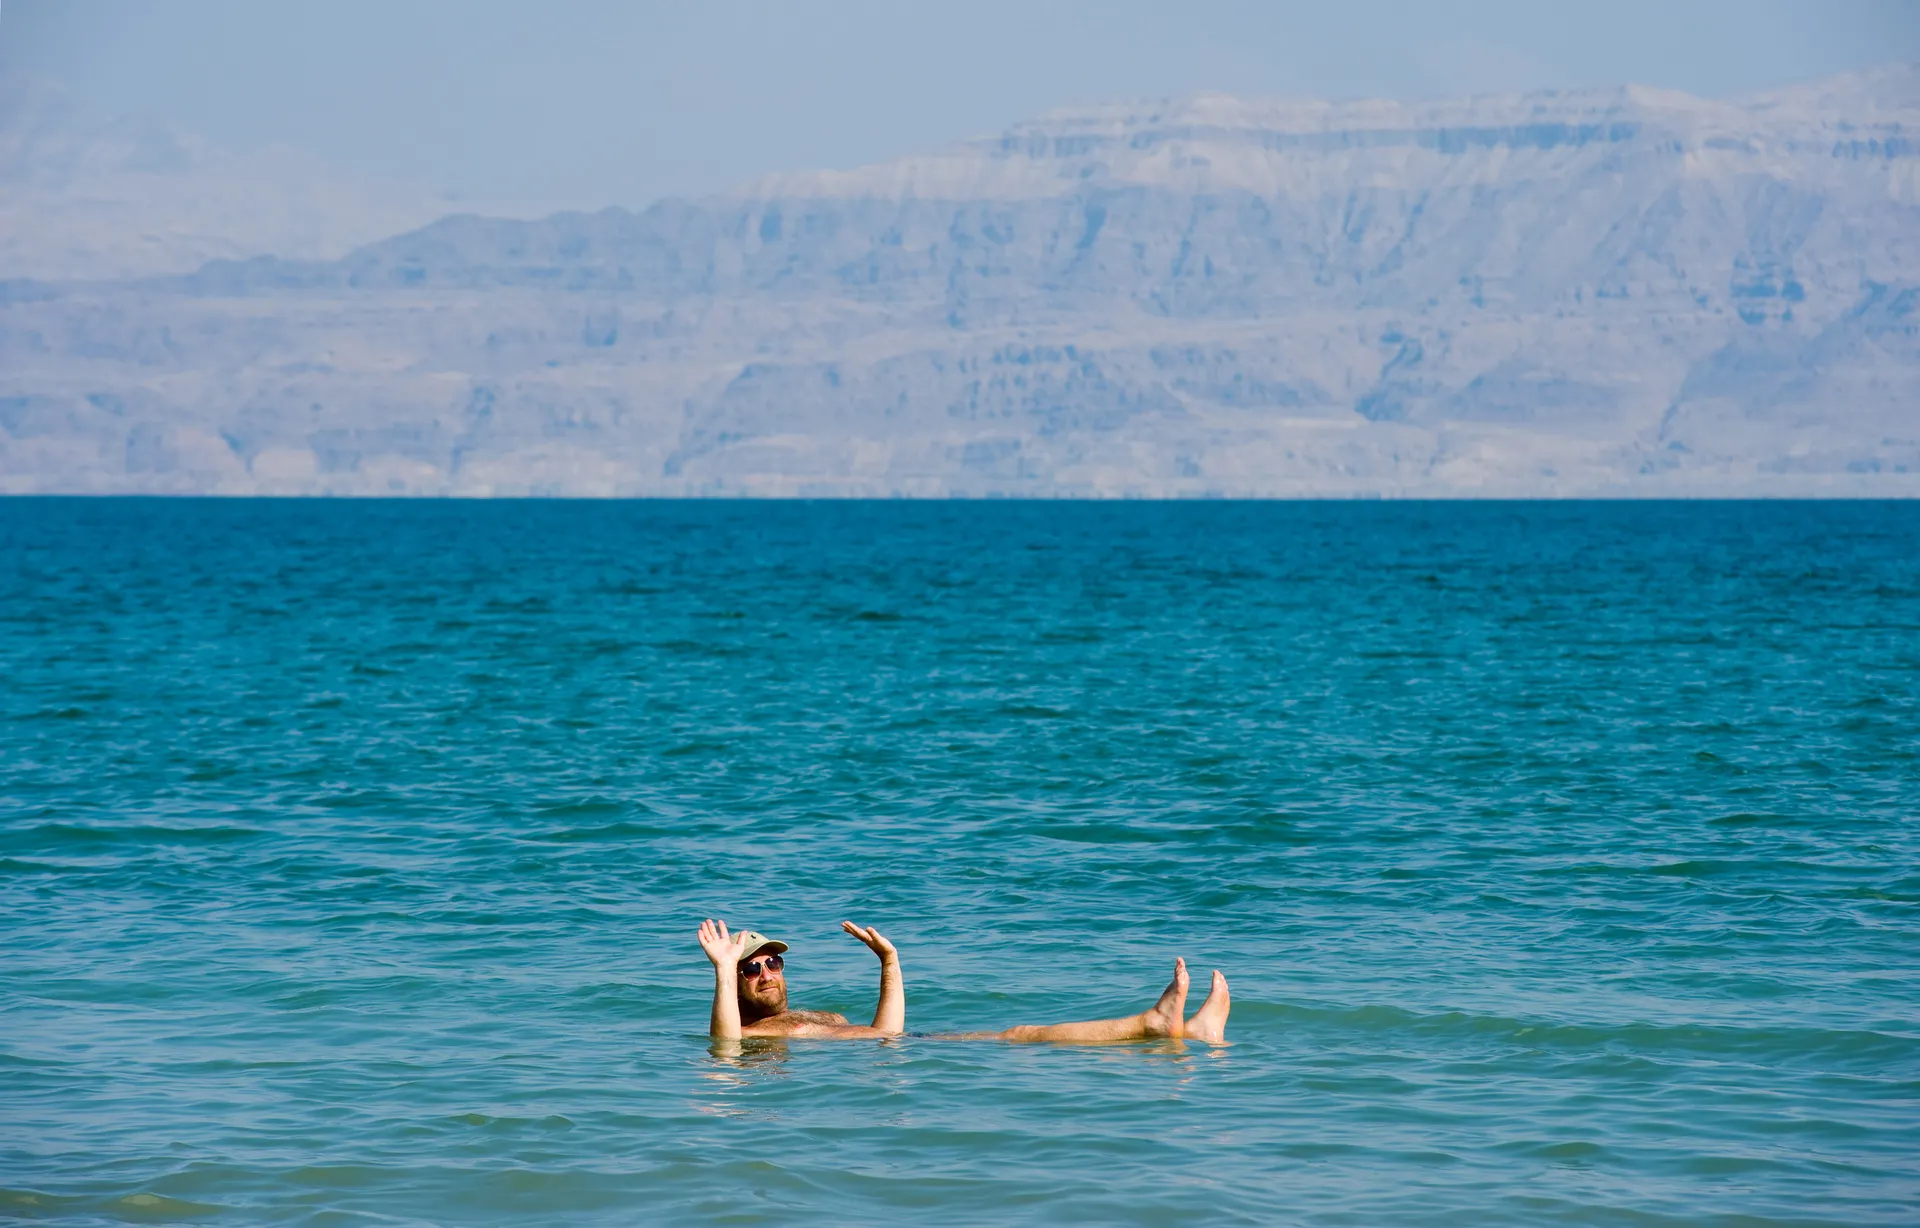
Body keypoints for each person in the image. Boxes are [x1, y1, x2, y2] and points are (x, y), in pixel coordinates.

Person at [695, 917, 1231, 1044]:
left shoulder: (820, 1017)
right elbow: (724, 1044)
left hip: (906, 1050)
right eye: (751, 966)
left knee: (1019, 1034)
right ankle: (1155, 1023)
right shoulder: (753, 1037)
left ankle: (1185, 1031)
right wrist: (721, 968)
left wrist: (889, 963)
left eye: (772, 962)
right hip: (925, 1055)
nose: (765, 971)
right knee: (1020, 1036)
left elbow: (886, 1033)